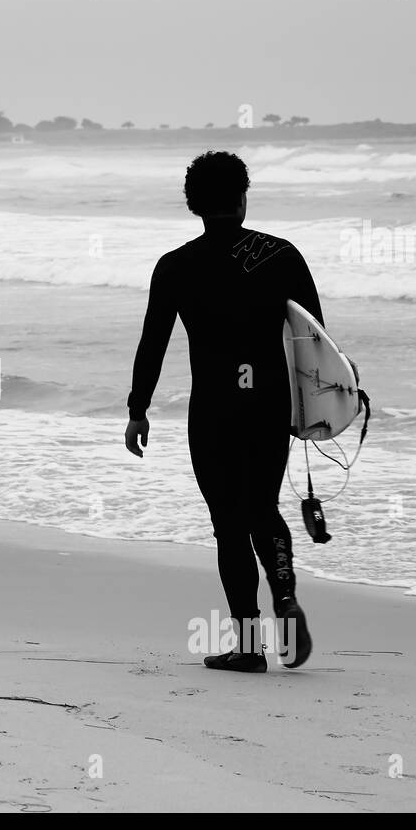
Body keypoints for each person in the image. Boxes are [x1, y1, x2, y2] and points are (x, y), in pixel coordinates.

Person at [125, 151, 322, 672]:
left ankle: (249, 648)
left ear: (193, 204)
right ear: (243, 196)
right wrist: (313, 408)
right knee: (263, 507)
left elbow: (153, 343)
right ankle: (285, 599)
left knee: (228, 526)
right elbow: (313, 339)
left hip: (213, 409)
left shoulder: (175, 267)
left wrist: (137, 409)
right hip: (268, 404)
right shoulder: (279, 254)